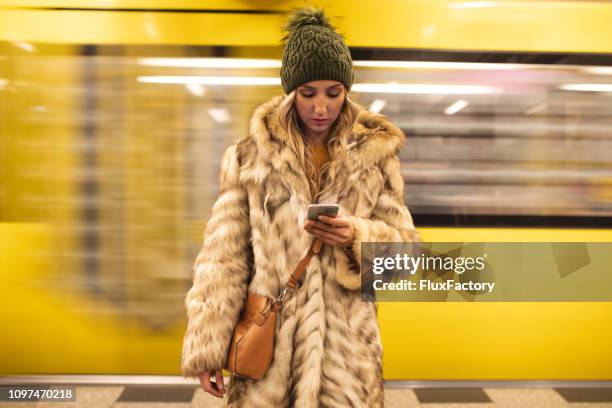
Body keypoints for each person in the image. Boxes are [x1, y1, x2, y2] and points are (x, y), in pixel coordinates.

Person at [181, 6, 420, 407]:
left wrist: (359, 236)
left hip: (345, 360)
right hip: (269, 351)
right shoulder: (250, 157)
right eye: (308, 94)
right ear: (291, 92)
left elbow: (407, 254)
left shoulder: (376, 156)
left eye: (334, 93)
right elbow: (223, 257)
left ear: (347, 91)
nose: (321, 107)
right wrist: (207, 346)